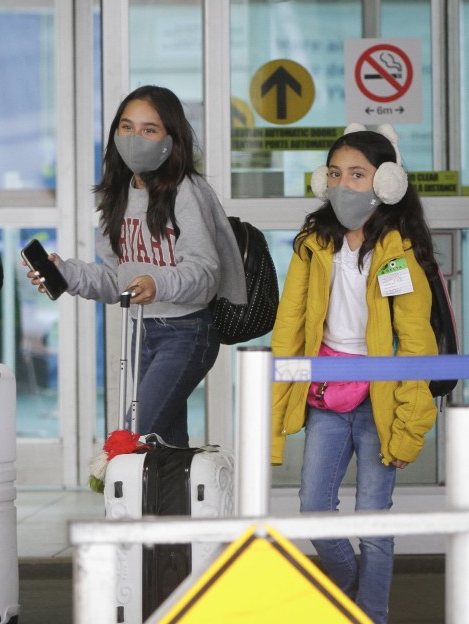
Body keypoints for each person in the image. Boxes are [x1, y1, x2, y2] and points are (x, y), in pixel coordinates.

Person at [270, 125, 438, 624]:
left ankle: (372, 615)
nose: (344, 185)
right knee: (313, 508)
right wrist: (277, 407)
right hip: (325, 392)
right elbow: (289, 326)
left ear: (386, 183)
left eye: (358, 175)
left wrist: (409, 426)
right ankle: (348, 597)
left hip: (380, 399)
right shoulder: (313, 243)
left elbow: (417, 341)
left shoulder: (397, 250)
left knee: (373, 521)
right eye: (336, 174)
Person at [26, 85, 245, 446]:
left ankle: (113, 479)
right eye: (126, 127)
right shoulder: (118, 194)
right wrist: (67, 273)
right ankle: (170, 486)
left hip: (186, 330)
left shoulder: (186, 190)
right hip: (141, 331)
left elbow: (205, 272)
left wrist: (157, 283)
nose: (134, 138)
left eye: (149, 129)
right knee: (162, 445)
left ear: (171, 140)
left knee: (134, 434)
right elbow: (118, 280)